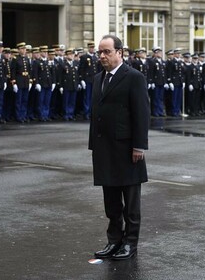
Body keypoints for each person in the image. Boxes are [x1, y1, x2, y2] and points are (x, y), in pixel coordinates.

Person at [90, 35, 149, 261]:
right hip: (105, 148)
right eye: (100, 52)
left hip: (127, 149)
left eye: (106, 52)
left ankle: (130, 243)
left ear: (120, 53)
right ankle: (114, 240)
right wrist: (92, 143)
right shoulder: (98, 78)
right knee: (111, 202)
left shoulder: (134, 77)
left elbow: (141, 114)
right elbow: (96, 114)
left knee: (130, 202)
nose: (102, 56)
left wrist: (139, 146)